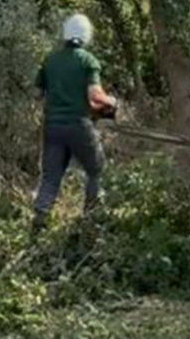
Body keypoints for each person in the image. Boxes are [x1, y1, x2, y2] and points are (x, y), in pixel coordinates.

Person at [32, 13, 117, 231]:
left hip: (52, 127)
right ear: (86, 35)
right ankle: (91, 221)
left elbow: (37, 93)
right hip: (78, 125)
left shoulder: (50, 60)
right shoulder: (87, 60)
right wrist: (111, 102)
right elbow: (95, 95)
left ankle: (39, 224)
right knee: (96, 170)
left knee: (51, 178)